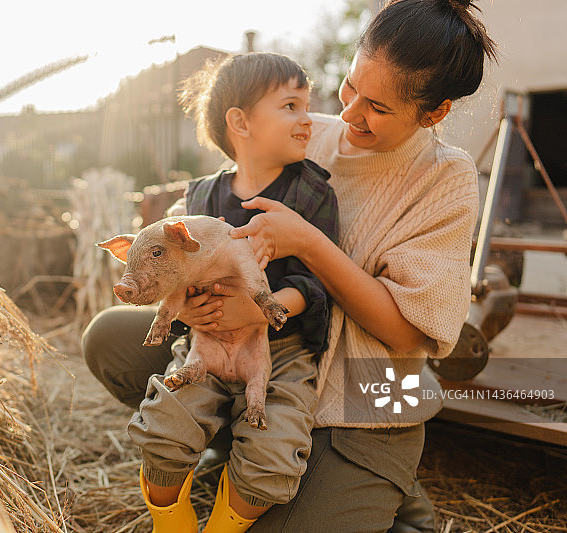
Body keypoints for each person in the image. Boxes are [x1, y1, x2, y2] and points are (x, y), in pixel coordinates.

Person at [83, 0, 497, 531]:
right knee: (111, 339)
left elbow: (405, 331)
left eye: (378, 106)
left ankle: (383, 484)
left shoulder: (445, 180)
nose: (349, 114)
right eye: (350, 87)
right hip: (260, 352)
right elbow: (206, 212)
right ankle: (238, 441)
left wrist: (308, 245)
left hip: (360, 400)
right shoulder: (309, 131)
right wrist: (195, 292)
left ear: (434, 113)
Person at [125, 52, 339, 533]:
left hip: (280, 351)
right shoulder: (198, 198)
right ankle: (171, 520)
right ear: (240, 122)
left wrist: (258, 309)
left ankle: (226, 522)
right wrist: (188, 314)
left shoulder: (314, 194)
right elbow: (174, 276)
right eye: (290, 105)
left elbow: (316, 281)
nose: (307, 118)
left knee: (273, 453)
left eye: (307, 105)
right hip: (204, 342)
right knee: (164, 430)